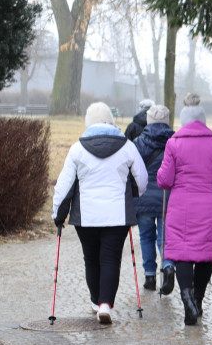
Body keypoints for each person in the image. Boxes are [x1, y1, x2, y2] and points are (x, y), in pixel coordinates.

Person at [52, 102, 148, 325]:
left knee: (91, 259)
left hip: (86, 217)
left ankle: (95, 302)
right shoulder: (127, 147)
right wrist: (134, 194)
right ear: (111, 122)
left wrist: (58, 215)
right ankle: (106, 304)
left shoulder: (77, 149)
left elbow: (64, 187)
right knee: (111, 259)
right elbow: (142, 181)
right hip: (117, 215)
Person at [157, 97, 212, 325]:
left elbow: (164, 179)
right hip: (211, 207)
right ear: (203, 121)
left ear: (183, 120)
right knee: (204, 255)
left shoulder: (173, 143)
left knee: (183, 253)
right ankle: (198, 301)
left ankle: (187, 300)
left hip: (181, 206)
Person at [133, 104, 173, 291]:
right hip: (167, 198)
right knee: (164, 238)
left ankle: (149, 277)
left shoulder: (137, 143)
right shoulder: (174, 142)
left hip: (143, 199)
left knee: (146, 237)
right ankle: (167, 267)